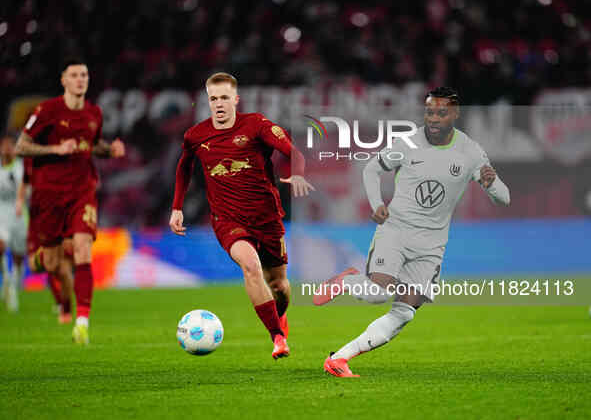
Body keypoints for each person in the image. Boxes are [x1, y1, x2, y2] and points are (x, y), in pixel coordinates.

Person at [314, 87, 511, 377]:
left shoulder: (471, 152)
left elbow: (504, 197)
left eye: (441, 112)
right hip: (396, 232)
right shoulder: (406, 143)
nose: (433, 118)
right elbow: (371, 169)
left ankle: (339, 359)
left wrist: (492, 184)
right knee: (378, 295)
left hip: (432, 246)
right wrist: (377, 203)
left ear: (455, 114)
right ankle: (349, 280)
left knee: (404, 313)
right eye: (429, 111)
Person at [170, 72, 314, 359]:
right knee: (250, 266)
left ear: (235, 99)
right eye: (213, 99)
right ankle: (277, 338)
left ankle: (279, 318)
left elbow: (294, 152)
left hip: (267, 218)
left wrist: (297, 174)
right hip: (227, 220)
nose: (219, 104)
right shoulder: (195, 135)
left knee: (279, 286)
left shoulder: (256, 125)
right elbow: (184, 167)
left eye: (224, 98)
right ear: (207, 101)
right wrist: (177, 207)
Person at [15, 59, 125, 344]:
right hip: (48, 196)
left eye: (85, 75)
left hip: (82, 191)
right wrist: (55, 148)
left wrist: (109, 150)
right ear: (63, 80)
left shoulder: (94, 113)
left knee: (82, 250)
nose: (81, 79)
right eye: (74, 75)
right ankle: (40, 258)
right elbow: (21, 146)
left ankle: (82, 321)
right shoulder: (47, 110)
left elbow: (94, 145)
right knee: (51, 264)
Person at [16, 157, 74, 323]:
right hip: (37, 216)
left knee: (62, 269)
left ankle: (66, 310)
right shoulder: (30, 157)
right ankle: (49, 256)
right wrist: (20, 201)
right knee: (36, 266)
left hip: (58, 214)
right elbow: (25, 180)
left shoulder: (60, 152)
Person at [0, 135, 27, 312]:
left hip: (18, 212)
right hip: (2, 210)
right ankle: (7, 281)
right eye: (5, 146)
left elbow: (22, 187)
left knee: (19, 255)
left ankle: (15, 284)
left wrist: (19, 201)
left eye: (11, 146)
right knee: (1, 246)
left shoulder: (19, 167)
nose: (8, 149)